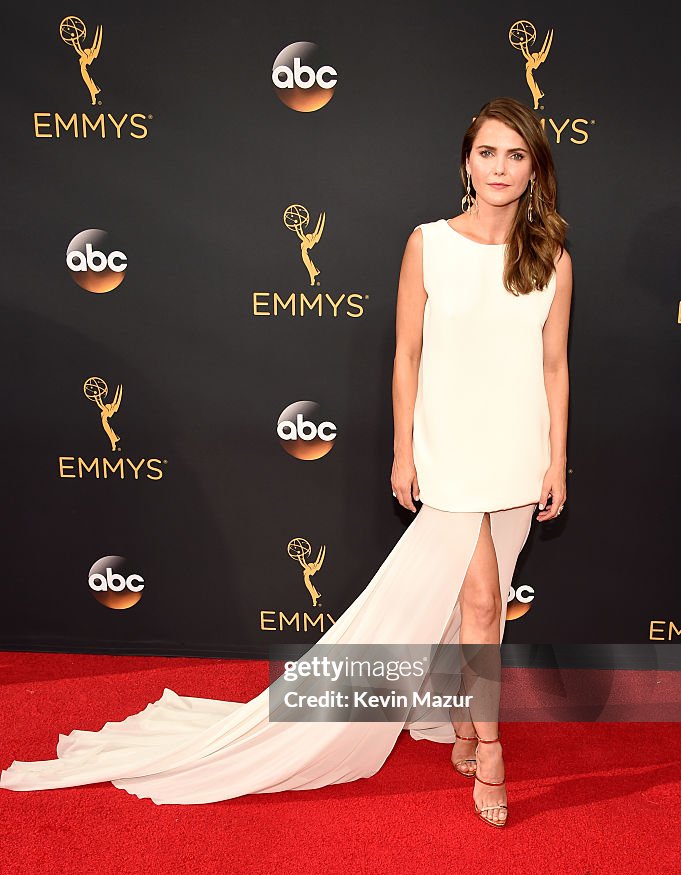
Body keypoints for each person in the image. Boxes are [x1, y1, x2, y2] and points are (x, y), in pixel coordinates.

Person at [0, 97, 571, 828]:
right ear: (465, 161)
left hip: (517, 449)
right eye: (487, 152)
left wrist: (556, 458)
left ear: (533, 168)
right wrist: (403, 449)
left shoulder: (550, 253)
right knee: (485, 603)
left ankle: (462, 723)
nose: (499, 168)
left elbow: (553, 366)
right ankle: (489, 749)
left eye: (515, 155)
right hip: (452, 449)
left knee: (470, 609)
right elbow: (405, 355)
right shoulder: (428, 244)